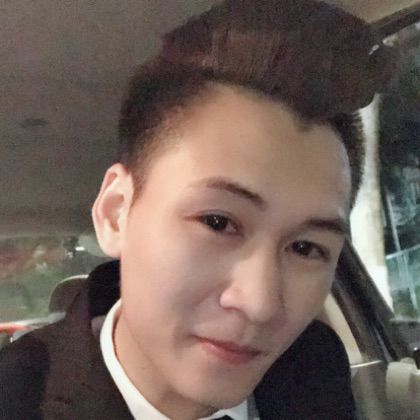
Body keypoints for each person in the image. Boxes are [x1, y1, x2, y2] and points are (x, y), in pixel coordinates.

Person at [0, 0, 395, 419]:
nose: (260, 303)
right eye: (218, 222)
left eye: (306, 248)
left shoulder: (313, 367)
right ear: (116, 213)